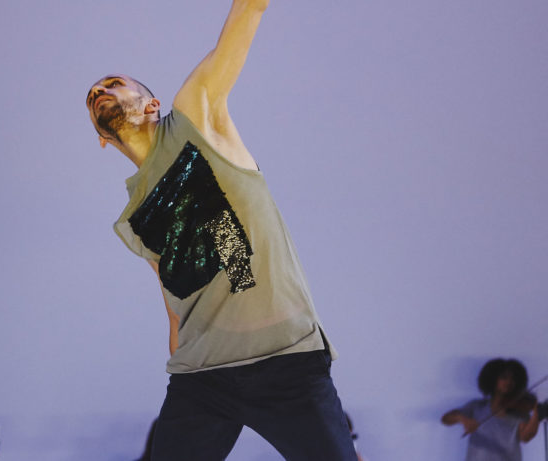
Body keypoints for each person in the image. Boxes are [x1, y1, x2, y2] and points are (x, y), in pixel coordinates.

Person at [85, 1, 358, 459]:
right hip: (202, 378)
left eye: (113, 83)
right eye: (93, 94)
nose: (99, 90)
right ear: (101, 138)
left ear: (151, 104)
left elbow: (247, 13)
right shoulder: (133, 217)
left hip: (286, 358)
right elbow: (176, 309)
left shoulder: (195, 115)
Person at [441, 358, 541, 461]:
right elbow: (445, 419)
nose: (509, 382)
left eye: (513, 379)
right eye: (504, 377)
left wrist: (537, 412)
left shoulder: (520, 412)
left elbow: (525, 437)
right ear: (493, 379)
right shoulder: (477, 406)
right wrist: (462, 419)